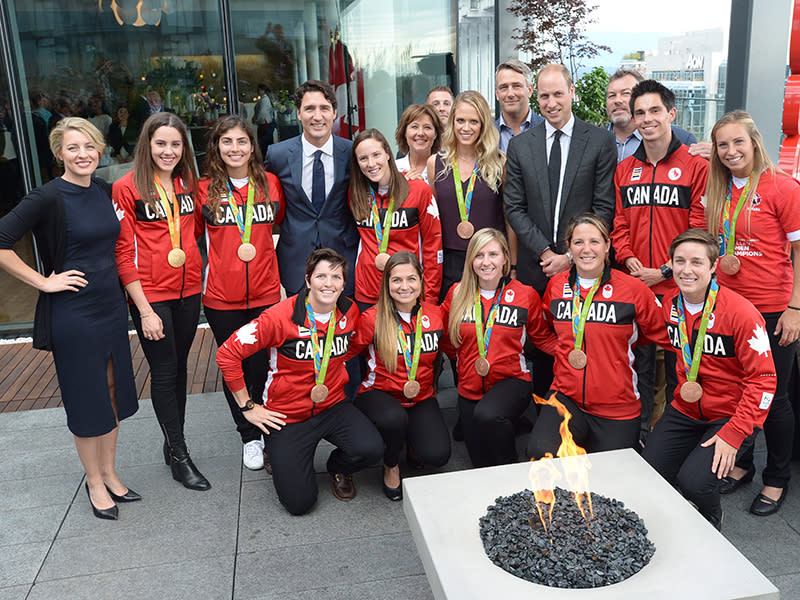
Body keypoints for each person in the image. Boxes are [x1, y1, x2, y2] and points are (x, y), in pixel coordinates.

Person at [0, 118, 140, 519]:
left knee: (113, 390)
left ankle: (111, 473)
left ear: (100, 150)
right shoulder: (47, 197)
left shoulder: (103, 189)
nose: (83, 155)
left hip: (111, 307)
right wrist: (43, 282)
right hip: (74, 314)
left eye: (90, 147)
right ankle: (94, 482)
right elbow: (2, 242)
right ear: (59, 153)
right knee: (86, 396)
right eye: (74, 148)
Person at [216, 249, 384, 515]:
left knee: (373, 450)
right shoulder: (278, 317)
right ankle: (277, 452)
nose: (328, 283)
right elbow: (227, 354)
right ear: (308, 281)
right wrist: (248, 406)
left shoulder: (349, 311)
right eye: (321, 276)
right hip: (287, 415)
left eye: (336, 277)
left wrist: (332, 366)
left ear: (343, 283)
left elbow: (350, 348)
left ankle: (339, 467)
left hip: (332, 406)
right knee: (299, 503)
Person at [643, 229, 776, 529]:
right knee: (649, 471)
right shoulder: (670, 306)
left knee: (694, 483)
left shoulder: (741, 313)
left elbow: (764, 381)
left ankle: (711, 517)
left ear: (713, 266)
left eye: (696, 262)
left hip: (729, 417)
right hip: (685, 411)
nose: (686, 270)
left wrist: (735, 433)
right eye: (679, 261)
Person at [703, 110, 800, 516]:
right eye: (722, 144)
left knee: (773, 397)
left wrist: (796, 307)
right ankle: (742, 464)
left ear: (755, 142)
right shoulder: (717, 188)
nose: (730, 151)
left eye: (738, 142)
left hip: (775, 309)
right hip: (729, 308)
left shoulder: (782, 187)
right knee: (738, 390)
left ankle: (776, 479)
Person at [504, 63, 616, 398]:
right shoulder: (521, 146)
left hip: (582, 266)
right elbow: (514, 207)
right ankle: (544, 420)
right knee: (538, 347)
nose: (551, 102)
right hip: (535, 266)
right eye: (543, 95)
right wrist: (545, 252)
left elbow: (604, 207)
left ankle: (584, 414)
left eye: (557, 94)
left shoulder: (599, 141)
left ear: (572, 93)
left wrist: (570, 255)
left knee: (584, 341)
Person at [113, 112, 210, 491]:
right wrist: (144, 309)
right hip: (153, 296)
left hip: (188, 293)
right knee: (165, 371)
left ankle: (172, 443)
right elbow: (123, 252)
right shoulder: (126, 187)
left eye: (175, 144)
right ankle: (180, 455)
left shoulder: (189, 183)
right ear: (147, 145)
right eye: (160, 144)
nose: (168, 151)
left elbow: (196, 231)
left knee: (180, 368)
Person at [611, 79, 709, 445]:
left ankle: (674, 442)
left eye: (655, 111)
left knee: (680, 369)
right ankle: (638, 440)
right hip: (636, 284)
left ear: (671, 113)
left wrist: (666, 270)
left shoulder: (695, 166)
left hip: (678, 287)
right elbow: (619, 224)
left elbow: (699, 230)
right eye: (640, 113)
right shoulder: (625, 170)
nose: (647, 119)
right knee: (639, 364)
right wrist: (630, 260)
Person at [528, 213, 668, 459]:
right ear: (569, 248)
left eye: (594, 241)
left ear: (607, 246)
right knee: (541, 455)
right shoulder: (557, 286)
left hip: (617, 406)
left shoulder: (634, 290)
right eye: (578, 242)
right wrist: (563, 352)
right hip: (565, 397)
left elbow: (660, 335)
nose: (586, 249)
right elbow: (546, 330)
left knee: (613, 482)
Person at [197, 115, 285, 472]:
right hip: (221, 297)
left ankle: (266, 425)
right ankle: (248, 434)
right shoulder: (203, 189)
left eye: (241, 142)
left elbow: (280, 232)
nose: (235, 148)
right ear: (217, 147)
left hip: (265, 294)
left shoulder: (271, 184)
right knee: (233, 364)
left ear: (252, 147)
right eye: (227, 142)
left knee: (263, 365)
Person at [441, 228, 555, 468]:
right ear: (471, 260)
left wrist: (580, 353)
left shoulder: (526, 295)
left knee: (490, 417)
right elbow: (446, 338)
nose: (486, 262)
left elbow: (543, 338)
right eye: (479, 255)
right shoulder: (457, 293)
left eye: (493, 254)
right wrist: (462, 360)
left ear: (505, 258)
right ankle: (509, 425)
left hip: (512, 381)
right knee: (480, 463)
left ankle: (511, 470)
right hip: (470, 387)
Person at [350, 252, 450, 500]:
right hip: (379, 394)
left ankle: (412, 441)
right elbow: (346, 353)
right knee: (394, 419)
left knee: (438, 456)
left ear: (421, 281)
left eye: (411, 279)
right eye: (396, 280)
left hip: (420, 396)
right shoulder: (371, 319)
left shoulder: (436, 315)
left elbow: (449, 351)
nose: (404, 286)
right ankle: (391, 464)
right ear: (386, 284)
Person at [265, 80, 358, 298]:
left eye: (324, 108)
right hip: (296, 262)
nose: (317, 116)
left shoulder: (352, 152)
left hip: (343, 260)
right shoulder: (277, 155)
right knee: (300, 329)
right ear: (298, 114)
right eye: (309, 109)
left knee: (343, 328)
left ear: (334, 113)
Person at [427, 90, 509, 301]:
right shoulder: (435, 163)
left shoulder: (499, 163)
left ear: (483, 125)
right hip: (449, 263)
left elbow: (509, 217)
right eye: (460, 120)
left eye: (473, 121)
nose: (466, 128)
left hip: (489, 261)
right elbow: (434, 218)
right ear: (452, 122)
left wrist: (513, 263)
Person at [350, 128, 442, 308]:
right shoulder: (355, 193)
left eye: (376, 155)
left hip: (406, 293)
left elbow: (433, 246)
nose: (371, 163)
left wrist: (429, 298)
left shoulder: (419, 190)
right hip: (368, 295)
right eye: (363, 158)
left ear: (388, 154)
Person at [605, 68, 710, 162]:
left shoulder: (683, 139)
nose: (617, 100)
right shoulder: (593, 140)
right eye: (612, 95)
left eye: (626, 93)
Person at [494, 59, 544, 152]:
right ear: (497, 94)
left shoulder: (547, 130)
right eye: (504, 87)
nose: (510, 94)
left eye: (516, 86)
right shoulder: (486, 135)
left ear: (530, 90)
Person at [394, 103, 441, 182]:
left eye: (427, 127)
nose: (420, 133)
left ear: (435, 134)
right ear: (404, 132)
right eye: (414, 127)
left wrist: (423, 188)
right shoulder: (393, 169)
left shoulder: (445, 170)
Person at [253, 83, 276, 157]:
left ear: (262, 90)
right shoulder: (265, 99)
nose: (257, 91)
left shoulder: (264, 100)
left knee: (264, 144)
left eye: (259, 90)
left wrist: (256, 120)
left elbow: (262, 113)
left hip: (264, 124)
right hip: (265, 124)